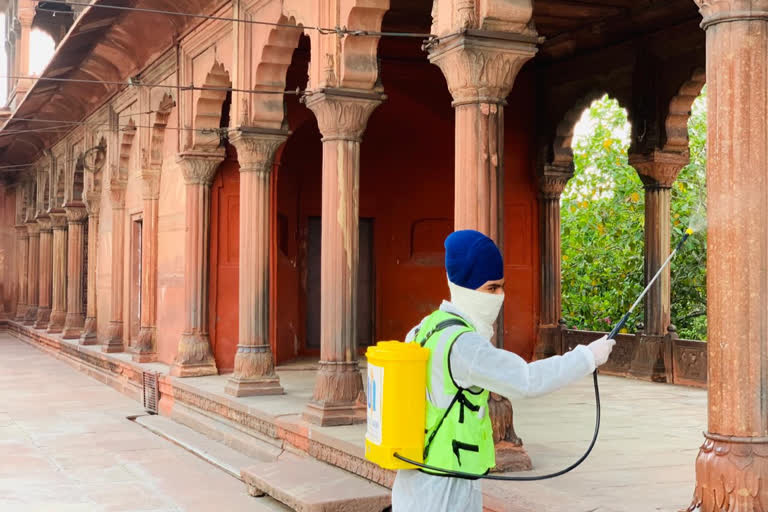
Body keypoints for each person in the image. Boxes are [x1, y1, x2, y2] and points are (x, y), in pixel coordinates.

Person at [390, 230, 616, 512]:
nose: (500, 296)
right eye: (492, 288)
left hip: (417, 481)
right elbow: (526, 380)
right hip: (445, 486)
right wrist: (587, 357)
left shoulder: (424, 327)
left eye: (501, 287)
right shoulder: (463, 345)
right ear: (465, 286)